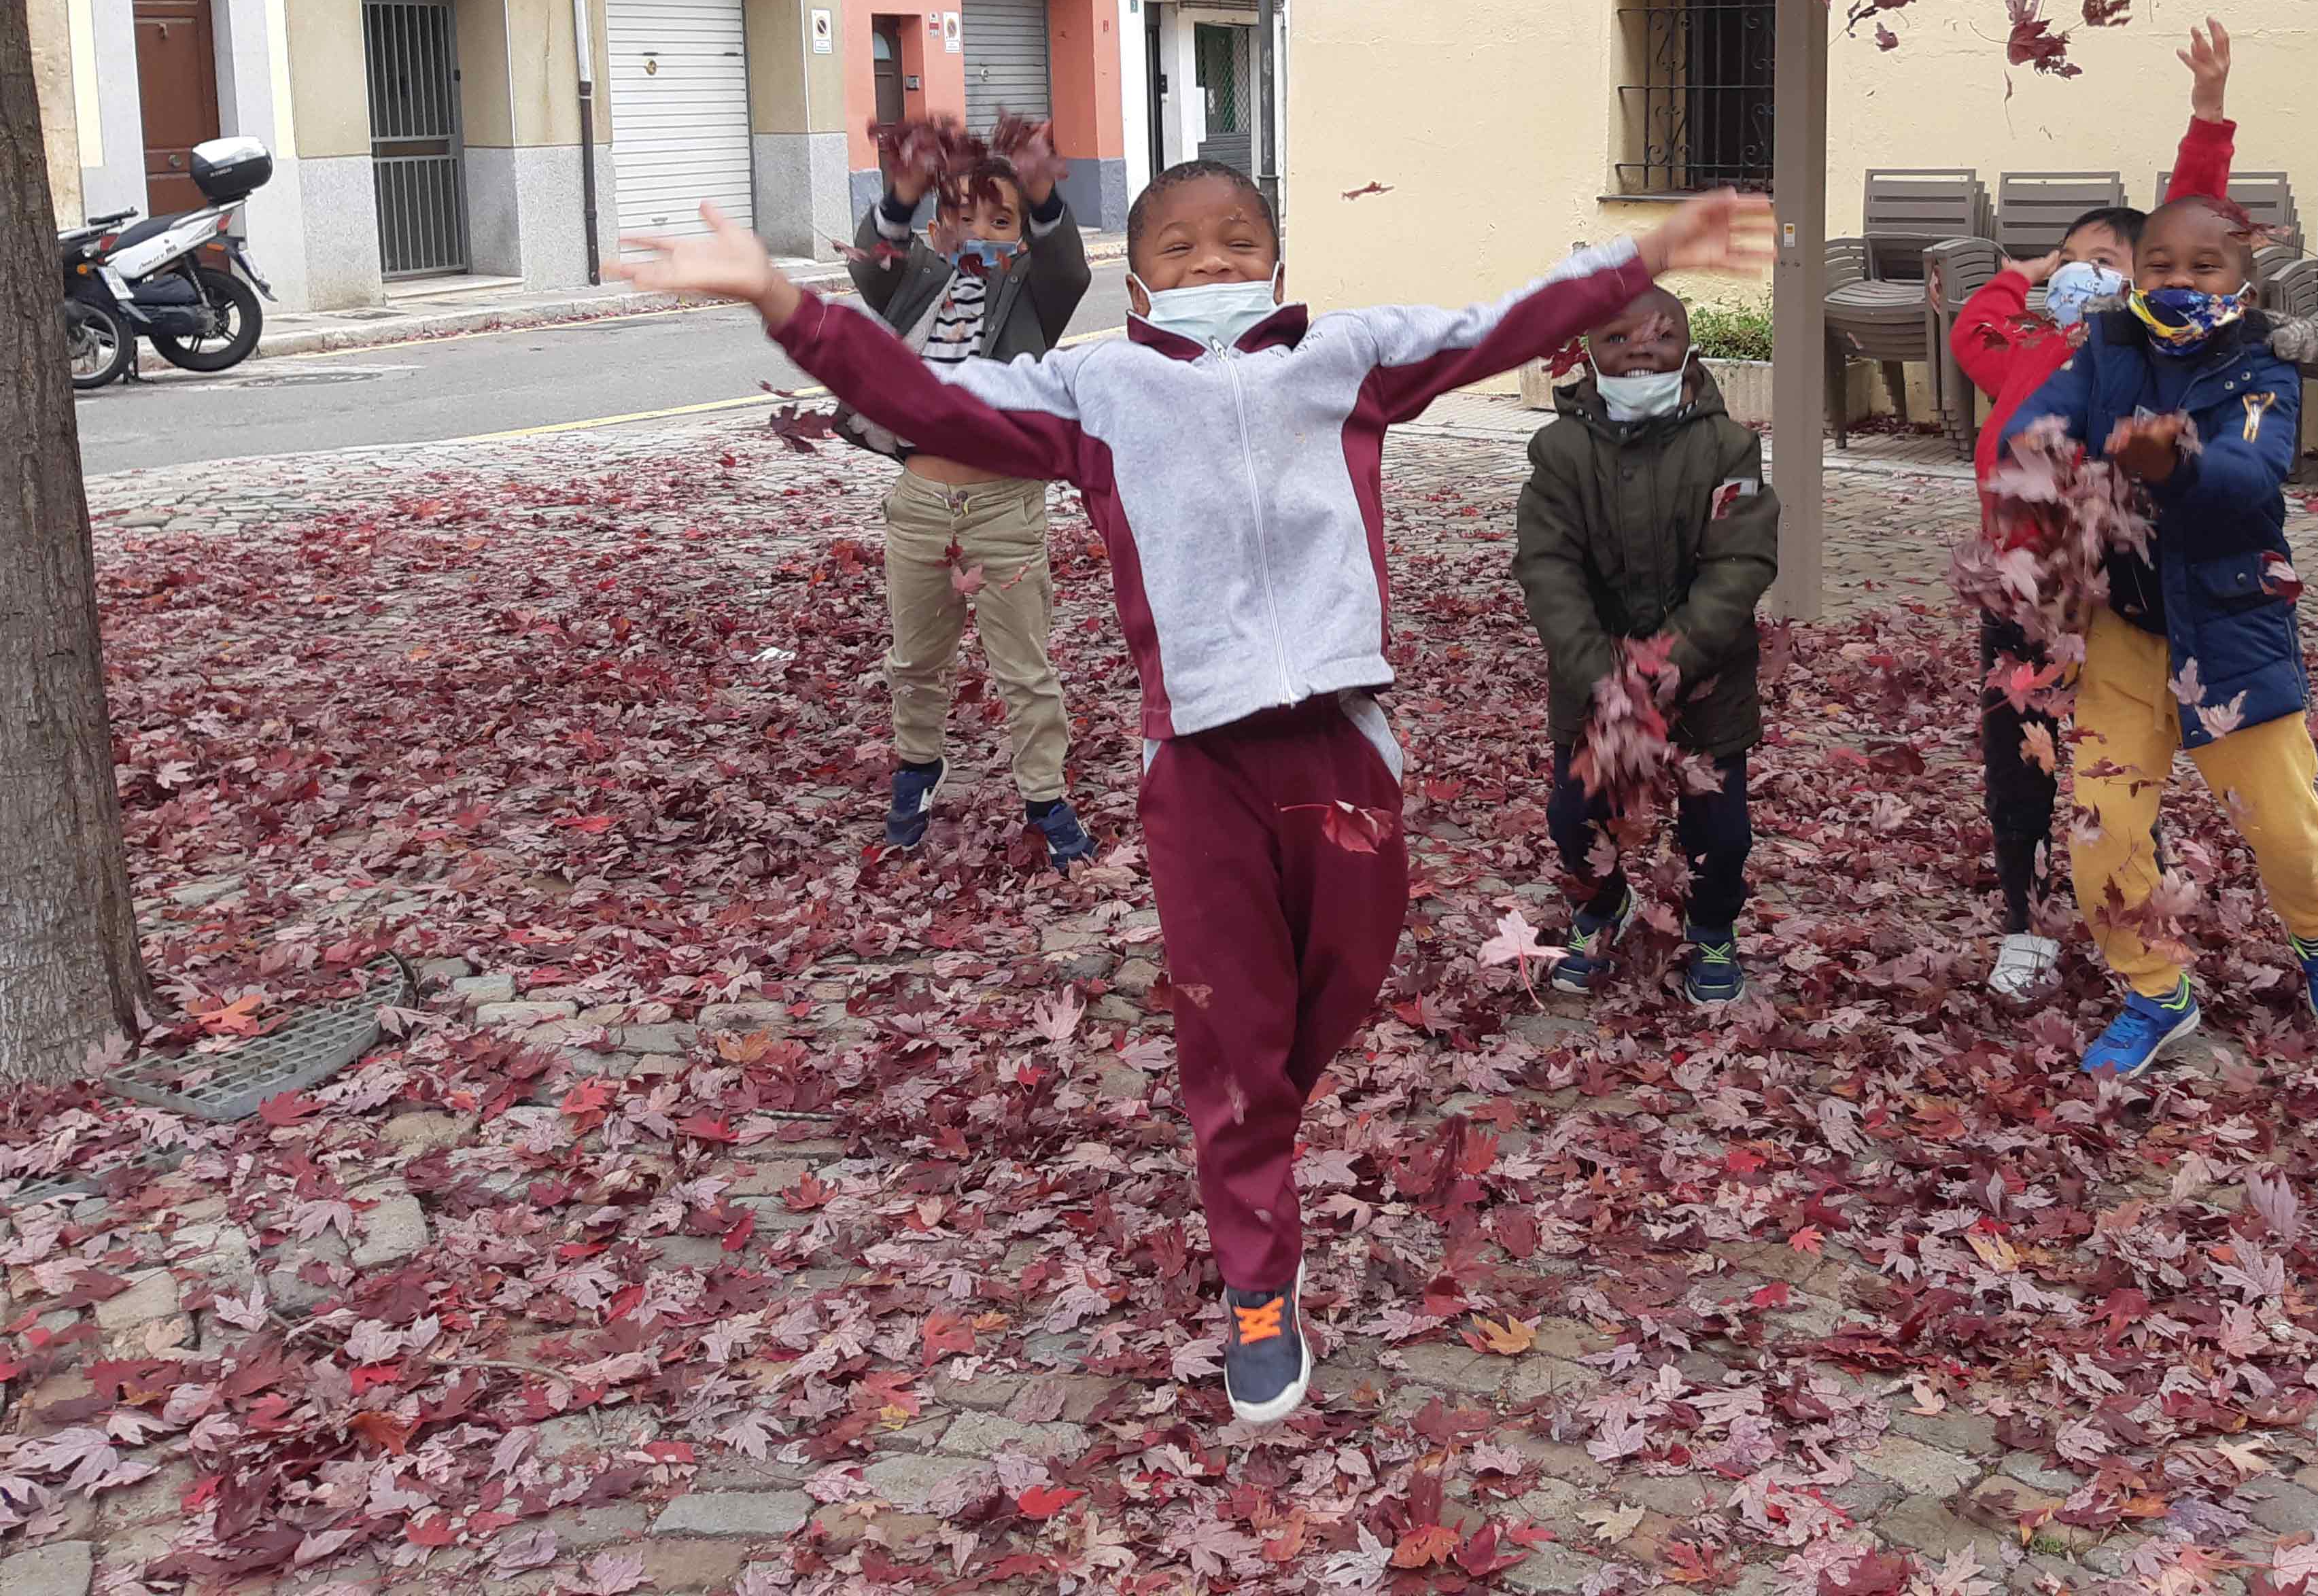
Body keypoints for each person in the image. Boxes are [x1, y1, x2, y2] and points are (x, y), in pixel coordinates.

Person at [611, 168, 1773, 1426]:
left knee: (1336, 988)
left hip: (1344, 752)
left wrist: (1644, 249)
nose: (1213, 263)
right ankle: (1258, 1277)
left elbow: (1497, 323)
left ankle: (1253, 1123)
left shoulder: (1347, 358)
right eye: (1181, 245)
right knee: (1228, 1039)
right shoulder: (1095, 391)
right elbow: (924, 393)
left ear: (1278, 257)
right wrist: (785, 302)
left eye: (1240, 241)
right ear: (1137, 274)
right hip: (1201, 763)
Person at [2001, 192, 2318, 1077]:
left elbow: (2252, 477)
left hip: (2231, 628)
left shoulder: (2261, 364)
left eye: (2204, 267)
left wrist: (2179, 464)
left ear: (2240, 276)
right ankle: (2156, 993)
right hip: (2124, 634)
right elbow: (2032, 422)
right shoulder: (2109, 348)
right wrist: (2050, 456)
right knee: (2105, 834)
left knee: (2284, 828)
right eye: (2160, 265)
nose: (2178, 281)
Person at [1948, 24, 2240, 1004]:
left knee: (2121, 765)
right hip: (2023, 593)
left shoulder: (2145, 352)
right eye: (2073, 260)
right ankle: (2023, 920)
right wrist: (2025, 272)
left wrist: (2207, 113)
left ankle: (2131, 925)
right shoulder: (2028, 348)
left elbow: (2195, 221)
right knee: (2017, 761)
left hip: (2120, 593)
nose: (2085, 272)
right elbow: (1971, 329)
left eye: (2105, 259)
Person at [1512, 285, 1778, 1006]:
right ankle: (1603, 904)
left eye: (1659, 339)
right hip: (1594, 681)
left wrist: (1675, 660)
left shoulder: (1729, 446)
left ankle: (1713, 929)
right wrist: (1602, 673)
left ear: (1687, 351)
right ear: (1590, 354)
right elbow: (1548, 566)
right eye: (1618, 339)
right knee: (1575, 818)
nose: (1639, 352)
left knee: (1718, 831)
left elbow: (1740, 560)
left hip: (1705, 681)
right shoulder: (1560, 450)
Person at [841, 127, 1093, 862]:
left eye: (1001, 219)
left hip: (1006, 508)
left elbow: (1067, 266)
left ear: (1020, 238)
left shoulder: (1033, 298)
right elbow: (872, 255)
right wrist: (905, 189)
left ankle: (1045, 797)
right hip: (920, 505)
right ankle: (918, 766)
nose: (978, 231)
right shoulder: (913, 279)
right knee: (916, 660)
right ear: (939, 224)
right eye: (962, 214)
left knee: (1024, 668)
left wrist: (1041, 189)